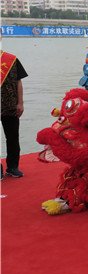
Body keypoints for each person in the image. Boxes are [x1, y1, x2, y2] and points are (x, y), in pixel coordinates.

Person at [1, 50, 28, 178]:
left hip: (10, 106)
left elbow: (18, 81)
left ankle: (12, 167)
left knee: (12, 138)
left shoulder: (11, 59)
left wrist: (20, 103)